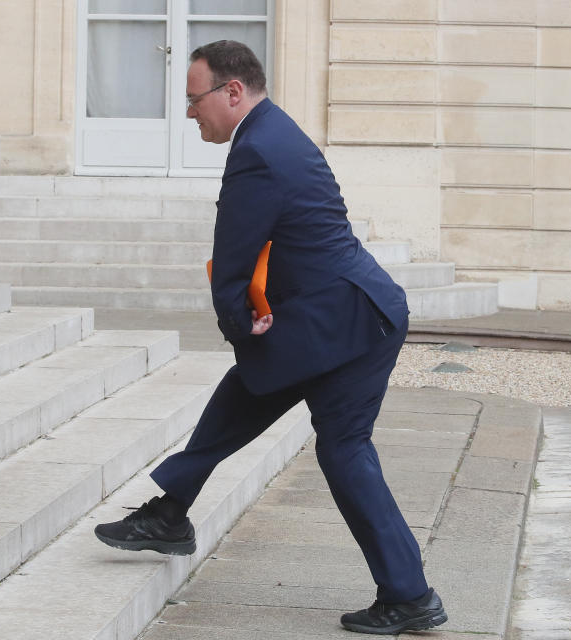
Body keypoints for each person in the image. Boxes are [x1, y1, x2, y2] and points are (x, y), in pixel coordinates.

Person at [94, 40, 447, 635]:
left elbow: (231, 259)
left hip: (344, 321)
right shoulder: (271, 132)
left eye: (193, 99)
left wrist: (239, 323)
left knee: (339, 447)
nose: (189, 113)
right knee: (257, 395)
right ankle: (170, 511)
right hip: (345, 312)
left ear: (233, 92)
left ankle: (409, 595)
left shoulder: (256, 149)